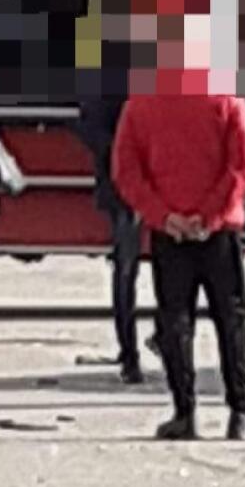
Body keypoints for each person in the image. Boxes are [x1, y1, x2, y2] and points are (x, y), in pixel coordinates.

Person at [112, 90, 245, 441]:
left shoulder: (141, 101)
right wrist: (209, 215)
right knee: (231, 320)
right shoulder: (225, 98)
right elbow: (243, 163)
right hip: (219, 232)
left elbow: (126, 171)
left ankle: (184, 412)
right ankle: (240, 412)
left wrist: (165, 216)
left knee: (175, 322)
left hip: (170, 234)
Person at [76, 96, 157, 385]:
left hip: (153, 174)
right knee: (127, 268)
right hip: (126, 179)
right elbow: (88, 125)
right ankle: (130, 353)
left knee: (146, 265)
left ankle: (152, 340)